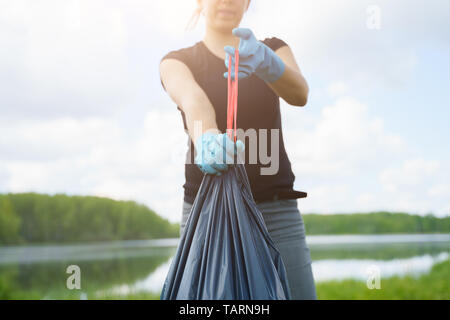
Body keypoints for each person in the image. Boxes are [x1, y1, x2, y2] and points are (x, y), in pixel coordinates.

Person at [159, 0, 317, 300]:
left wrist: (267, 63)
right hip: (204, 212)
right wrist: (207, 136)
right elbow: (193, 100)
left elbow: (300, 93)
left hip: (275, 213)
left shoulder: (272, 47)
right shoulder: (177, 61)